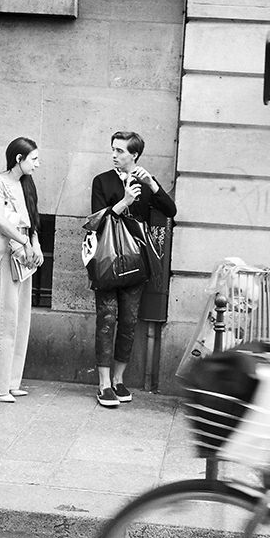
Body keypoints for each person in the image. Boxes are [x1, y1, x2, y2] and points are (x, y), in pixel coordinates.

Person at [90, 131, 177, 408]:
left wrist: (151, 184)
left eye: (120, 151)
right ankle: (103, 384)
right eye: (113, 150)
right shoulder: (102, 181)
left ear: (134, 155)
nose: (114, 155)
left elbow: (170, 210)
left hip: (137, 262)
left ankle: (118, 380)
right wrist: (125, 200)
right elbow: (97, 219)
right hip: (107, 260)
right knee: (107, 319)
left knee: (128, 322)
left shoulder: (144, 181)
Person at [0, 137, 44, 403]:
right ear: (19, 158)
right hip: (7, 252)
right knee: (4, 318)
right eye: (34, 159)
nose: (38, 164)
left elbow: (33, 220)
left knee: (20, 319)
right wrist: (25, 242)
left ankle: (12, 381)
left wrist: (35, 245)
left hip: (24, 252)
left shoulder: (26, 185)